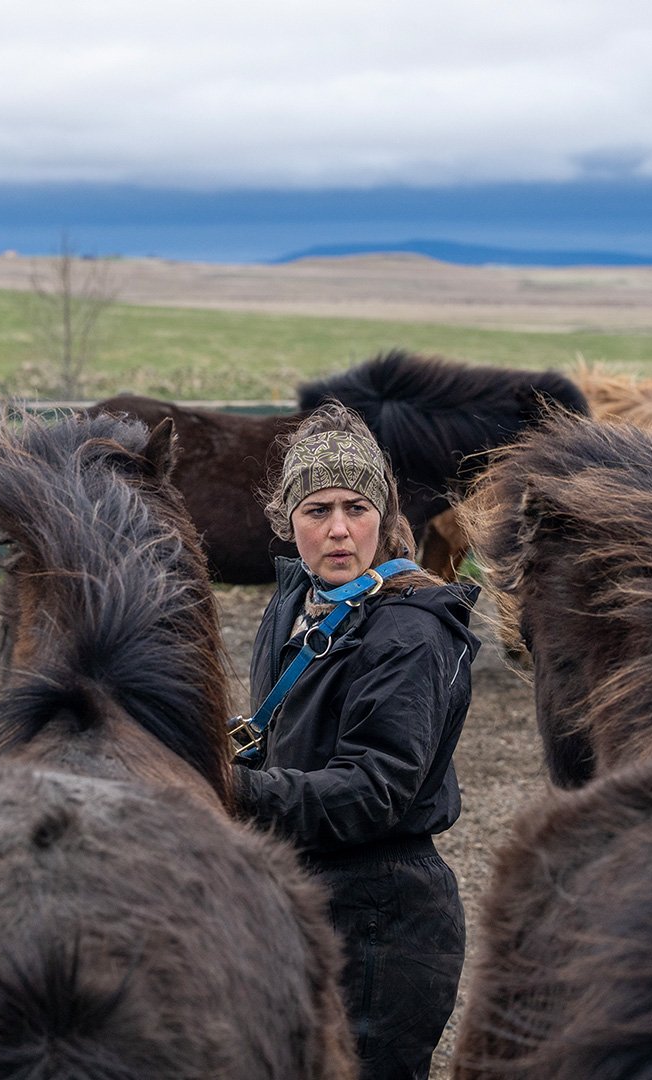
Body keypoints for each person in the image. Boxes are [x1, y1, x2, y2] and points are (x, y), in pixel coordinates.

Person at [232, 403, 480, 1079]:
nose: (339, 530)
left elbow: (374, 792)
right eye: (317, 510)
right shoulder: (293, 602)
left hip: (383, 919)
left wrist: (230, 788)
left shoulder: (411, 631)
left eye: (356, 506)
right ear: (287, 520)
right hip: (304, 894)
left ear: (385, 514)